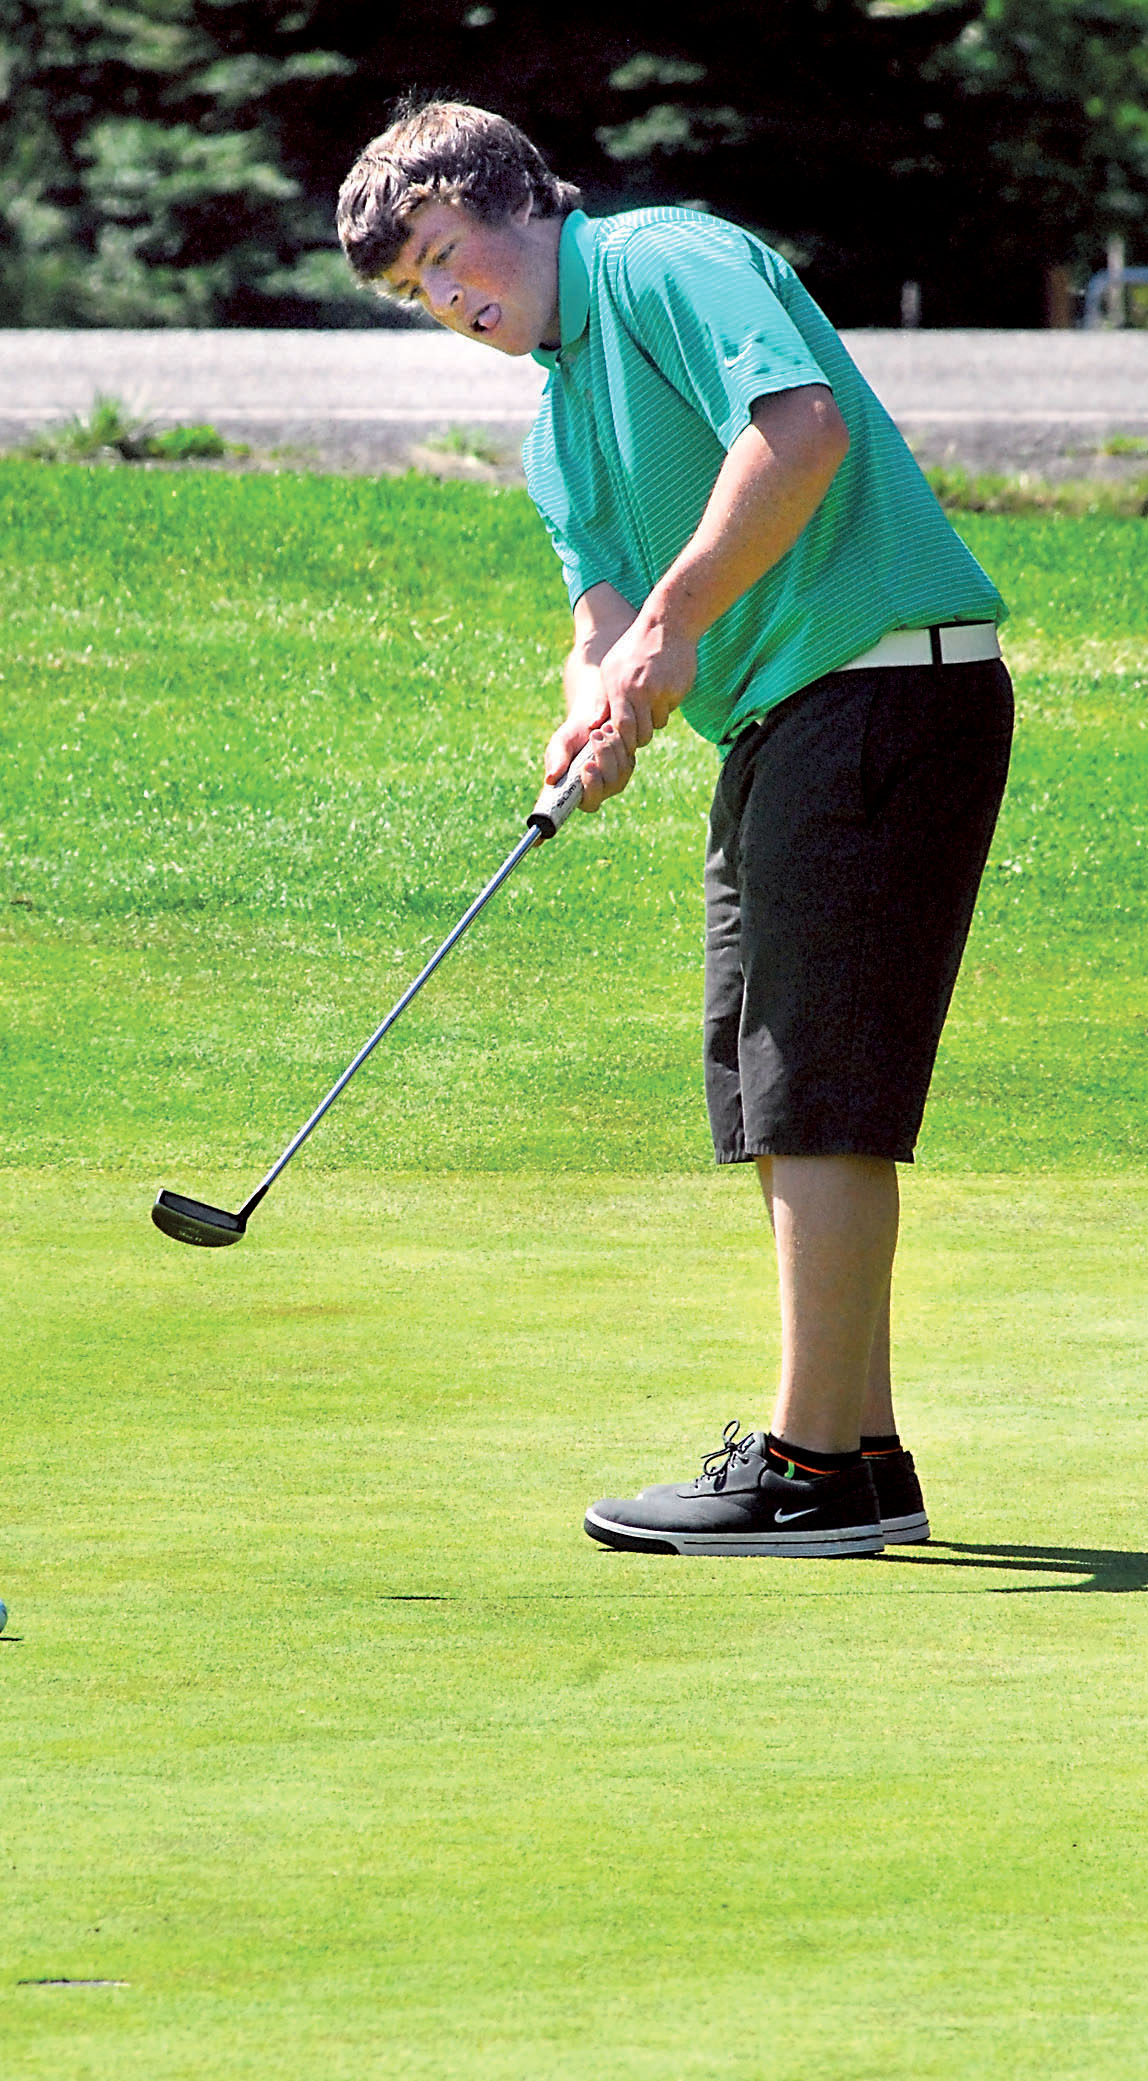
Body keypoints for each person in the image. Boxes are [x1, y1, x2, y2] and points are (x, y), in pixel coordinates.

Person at [337, 101, 1014, 1557]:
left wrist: (673, 624)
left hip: (887, 688)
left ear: (515, 202)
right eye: (416, 293)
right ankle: (864, 1448)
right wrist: (595, 715)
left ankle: (808, 1465)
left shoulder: (657, 261)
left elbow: (802, 430)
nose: (450, 302)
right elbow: (604, 629)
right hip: (789, 723)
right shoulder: (553, 427)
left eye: (449, 257)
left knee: (818, 1087)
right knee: (781, 1088)